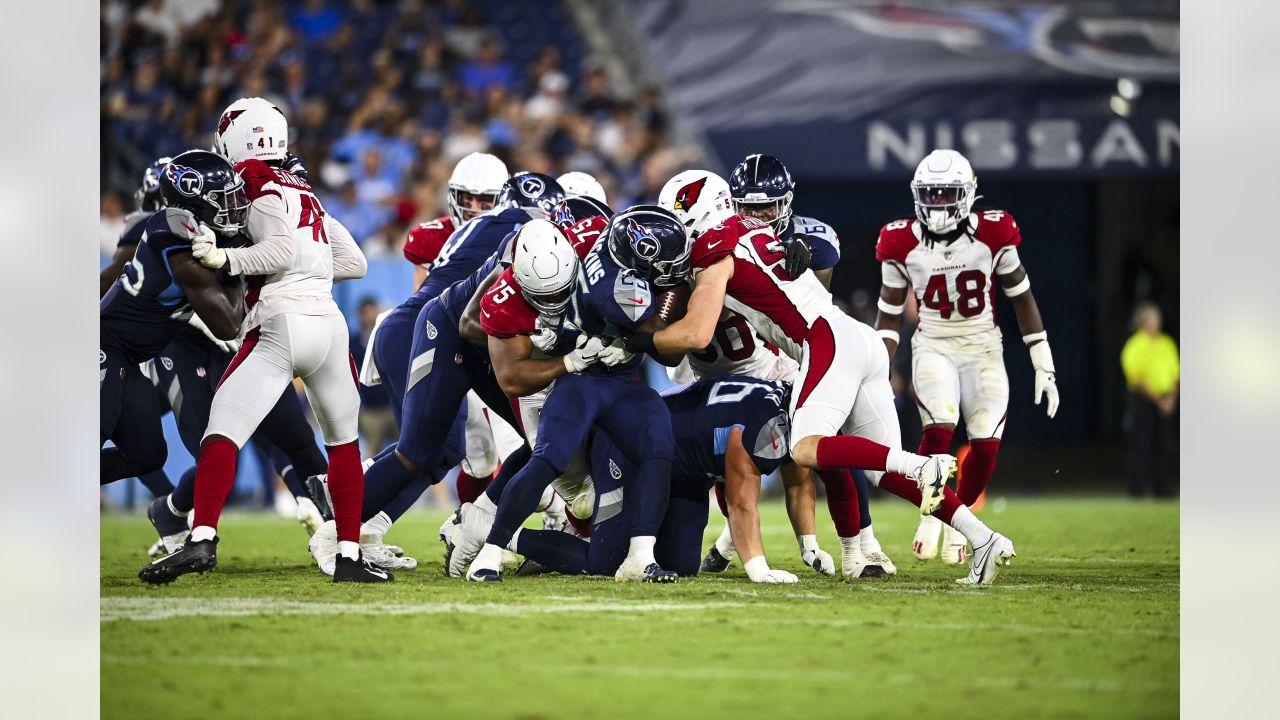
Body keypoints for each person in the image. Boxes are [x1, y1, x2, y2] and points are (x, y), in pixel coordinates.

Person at [645, 169, 1016, 584]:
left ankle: (919, 466)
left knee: (805, 448)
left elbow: (696, 332)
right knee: (879, 471)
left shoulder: (715, 248)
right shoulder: (749, 226)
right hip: (858, 337)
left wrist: (644, 339)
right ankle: (983, 538)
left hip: (824, 340)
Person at [138, 97, 382, 584]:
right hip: (329, 325)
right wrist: (310, 274)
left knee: (221, 431)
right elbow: (355, 262)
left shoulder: (251, 177)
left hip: (281, 321)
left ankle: (201, 538)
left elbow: (280, 249)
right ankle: (350, 556)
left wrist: (225, 261)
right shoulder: (304, 189)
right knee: (343, 445)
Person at [463, 205, 692, 583]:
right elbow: (510, 379)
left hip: (620, 381)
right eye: (542, 297)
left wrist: (633, 342)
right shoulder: (515, 296)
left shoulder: (599, 233)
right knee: (549, 458)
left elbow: (660, 298)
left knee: (658, 443)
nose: (553, 304)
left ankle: (641, 556)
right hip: (579, 376)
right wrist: (583, 357)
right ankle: (488, 551)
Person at [873, 149, 1058, 564]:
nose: (937, 204)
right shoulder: (900, 240)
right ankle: (937, 513)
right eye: (930, 194)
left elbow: (1021, 297)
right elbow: (887, 318)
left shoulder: (994, 232)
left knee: (986, 444)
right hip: (934, 344)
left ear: (968, 194)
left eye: (947, 194)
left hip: (983, 346)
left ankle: (956, 518)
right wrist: (877, 371)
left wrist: (1042, 360)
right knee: (940, 424)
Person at [514, 375, 800, 583]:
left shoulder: (781, 404)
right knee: (605, 562)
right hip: (631, 445)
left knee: (680, 564)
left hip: (685, 470)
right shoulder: (764, 423)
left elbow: (801, 482)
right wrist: (759, 570)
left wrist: (810, 546)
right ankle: (501, 534)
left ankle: (603, 531)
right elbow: (740, 502)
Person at [100, 149, 246, 493]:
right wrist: (237, 261)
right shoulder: (177, 240)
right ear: (194, 201)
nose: (234, 207)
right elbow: (229, 325)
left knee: (147, 454)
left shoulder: (193, 233)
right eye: (224, 199)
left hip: (128, 358)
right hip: (103, 346)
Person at [1121, 302, 1178, 497]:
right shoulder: (1135, 345)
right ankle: (1138, 489)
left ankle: (1162, 488)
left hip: (1166, 399)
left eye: (1157, 317)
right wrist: (1159, 401)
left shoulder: (1166, 343)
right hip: (1143, 401)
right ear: (1142, 322)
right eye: (1152, 318)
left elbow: (1175, 374)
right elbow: (1136, 378)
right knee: (1141, 445)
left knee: (1163, 445)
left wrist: (1171, 398)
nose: (1156, 321)